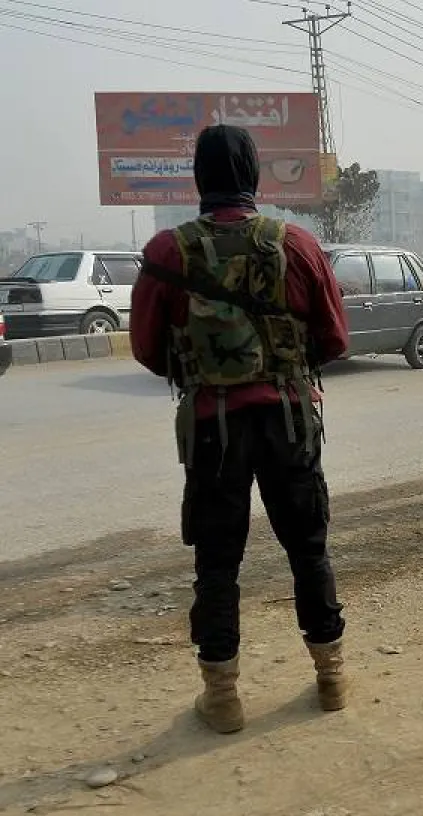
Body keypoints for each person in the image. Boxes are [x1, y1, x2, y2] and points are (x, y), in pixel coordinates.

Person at [129, 124, 351, 735]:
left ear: (198, 179)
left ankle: (222, 698)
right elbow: (334, 338)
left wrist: (203, 373)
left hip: (212, 426)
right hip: (288, 419)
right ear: (254, 177)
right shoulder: (299, 246)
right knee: (308, 550)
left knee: (218, 562)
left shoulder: (167, 253)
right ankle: (331, 677)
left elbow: (146, 347)